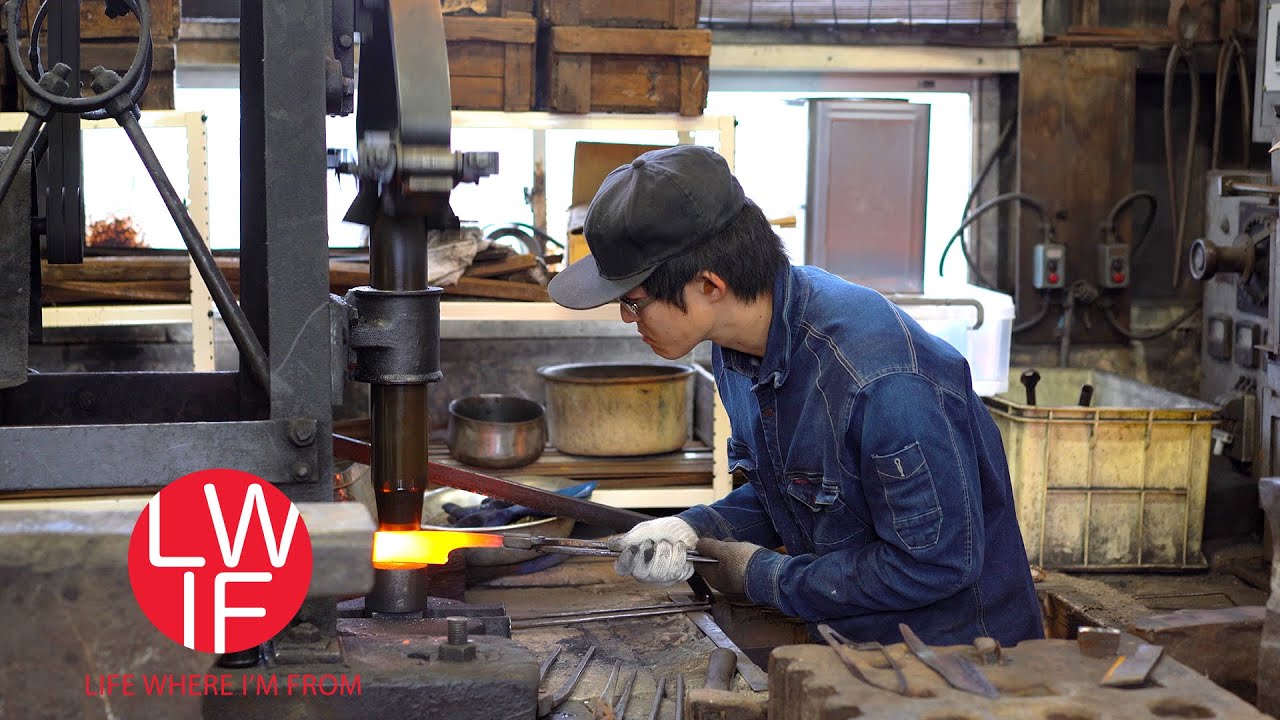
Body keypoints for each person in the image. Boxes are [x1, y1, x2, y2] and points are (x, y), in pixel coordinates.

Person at [546, 145, 1043, 647]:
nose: (629, 322)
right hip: (849, 642)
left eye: (633, 304)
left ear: (710, 285)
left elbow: (935, 565)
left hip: (959, 660)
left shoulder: (880, 381)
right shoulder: (737, 347)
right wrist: (691, 527)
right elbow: (791, 495)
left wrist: (765, 576)